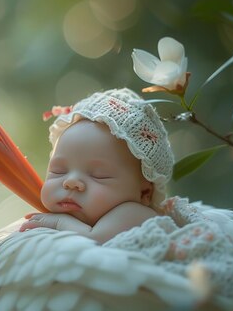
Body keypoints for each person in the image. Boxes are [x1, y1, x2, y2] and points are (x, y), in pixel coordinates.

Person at [20, 88, 174, 244]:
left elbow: (93, 239)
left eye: (99, 175)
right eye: (58, 171)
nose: (71, 182)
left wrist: (59, 223)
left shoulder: (136, 213)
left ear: (145, 193)